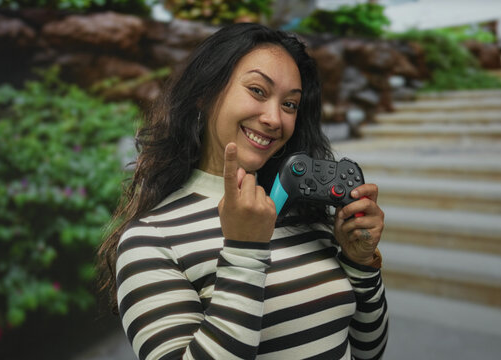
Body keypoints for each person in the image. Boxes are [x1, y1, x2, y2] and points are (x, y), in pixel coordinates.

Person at [97, 22, 388, 360]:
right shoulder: (150, 240)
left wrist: (360, 264)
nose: (274, 119)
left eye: (290, 104)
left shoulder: (308, 215)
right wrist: (245, 250)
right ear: (205, 95)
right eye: (258, 91)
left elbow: (370, 352)